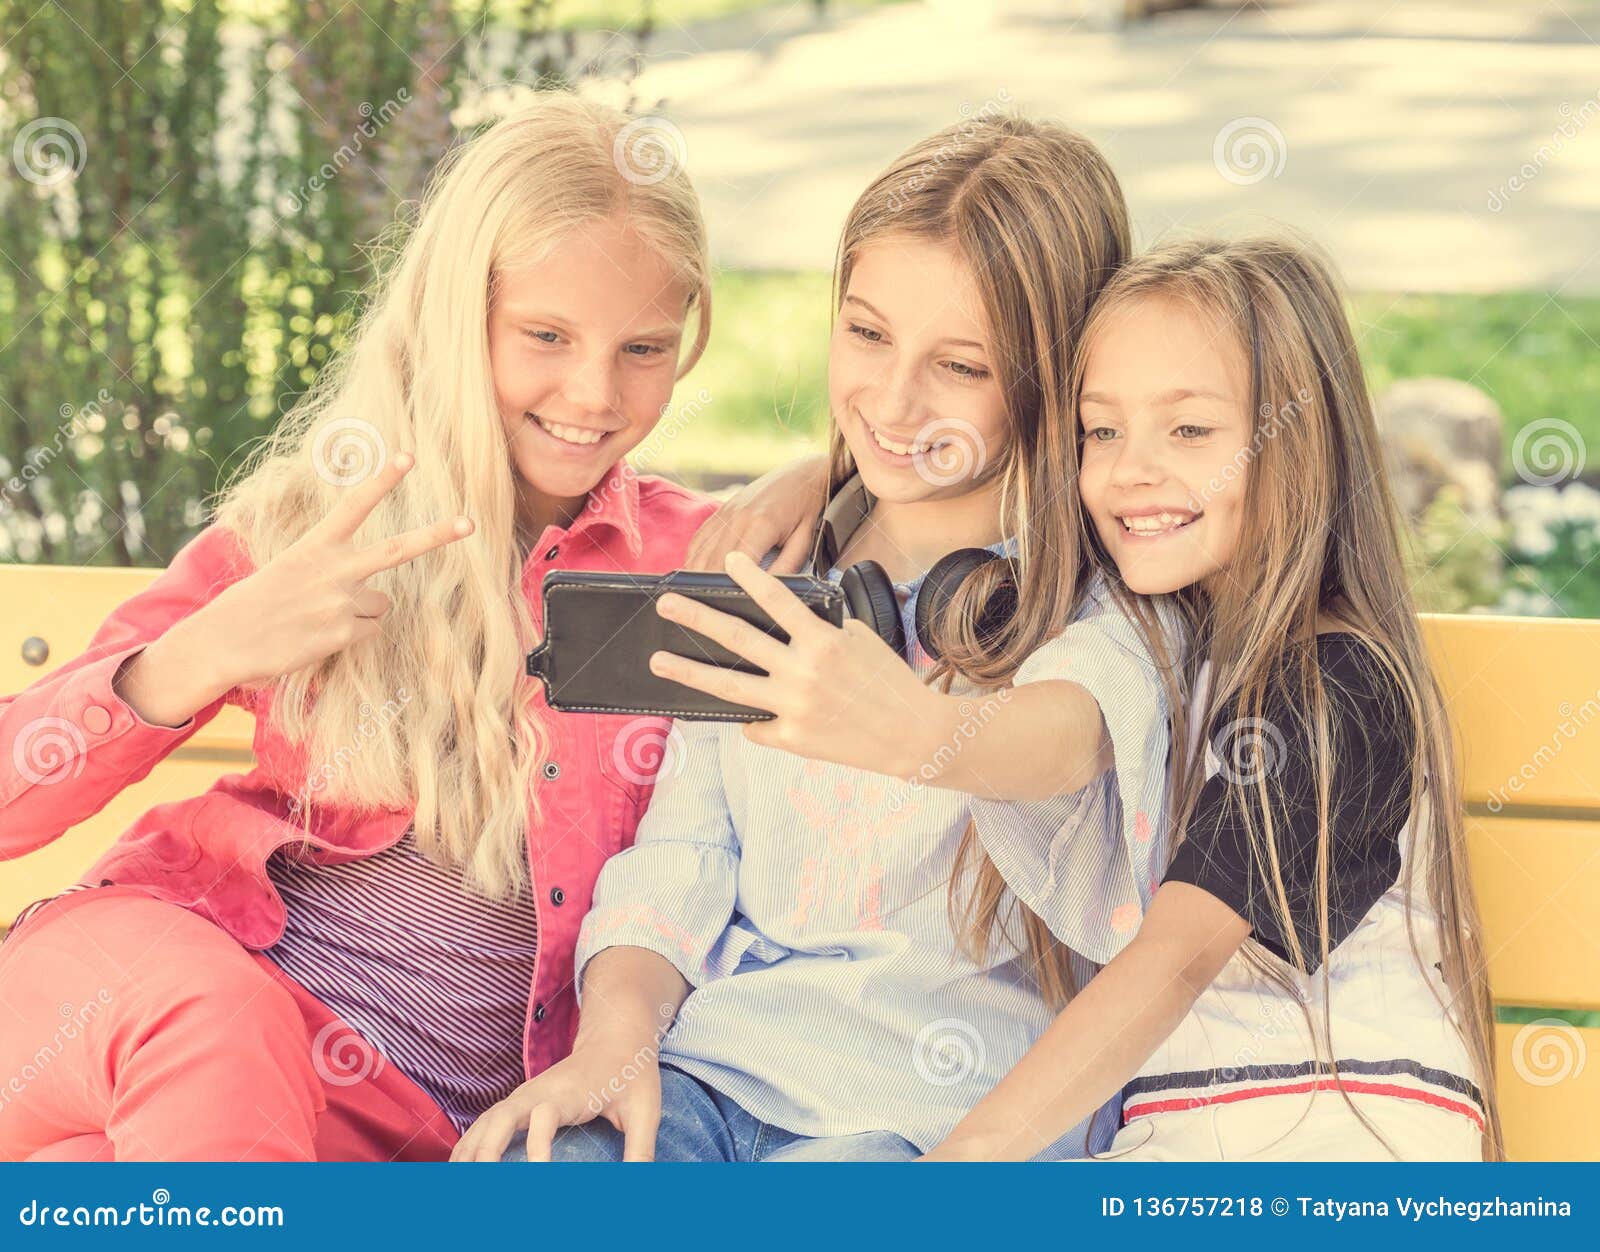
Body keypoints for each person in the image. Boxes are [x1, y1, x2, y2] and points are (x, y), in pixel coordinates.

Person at [0, 92, 742, 1162]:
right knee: (219, 1024)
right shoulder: (313, 526)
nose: (593, 391)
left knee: (90, 1186)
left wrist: (836, 476)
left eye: (643, 348)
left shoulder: (694, 559)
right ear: (455, 316)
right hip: (144, 992)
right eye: (545, 335)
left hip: (362, 1124)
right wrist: (201, 652)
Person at [451, 115, 1176, 1164]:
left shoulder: (1098, 612)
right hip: (718, 1073)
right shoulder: (777, 564)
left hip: (929, 1120)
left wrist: (912, 725)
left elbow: (1064, 739)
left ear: (1059, 380)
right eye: (868, 334)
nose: (891, 399)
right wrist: (612, 1044)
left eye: (960, 366)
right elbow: (685, 854)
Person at [921, 236, 1500, 1162]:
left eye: (1189, 430)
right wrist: (815, 481)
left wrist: (953, 1174)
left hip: (1335, 1145)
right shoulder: (1159, 648)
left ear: (1297, 443)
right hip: (1184, 1146)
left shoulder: (1335, 682)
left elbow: (1178, 956)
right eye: (1100, 430)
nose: (1129, 470)